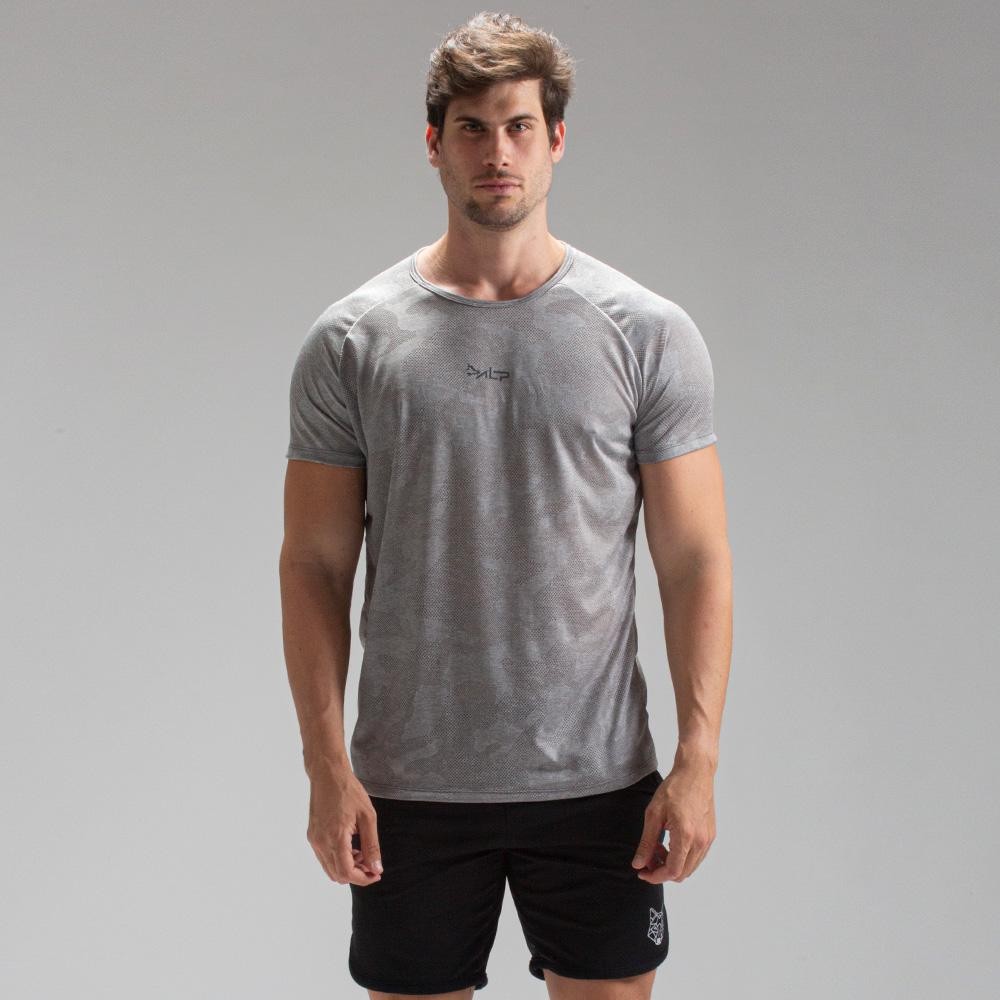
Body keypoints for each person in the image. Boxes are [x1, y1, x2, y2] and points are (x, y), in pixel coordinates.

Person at [279, 11, 732, 1000]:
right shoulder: (352, 342)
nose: (498, 152)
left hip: (598, 783)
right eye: (473, 128)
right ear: (433, 143)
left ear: (556, 139)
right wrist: (324, 765)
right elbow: (313, 562)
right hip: (409, 787)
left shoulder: (646, 333)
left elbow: (694, 558)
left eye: (520, 126)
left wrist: (697, 758)